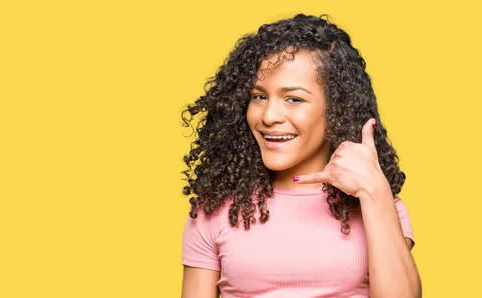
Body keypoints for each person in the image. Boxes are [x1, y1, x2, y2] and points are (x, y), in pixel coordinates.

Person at [180, 14, 421, 297]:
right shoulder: (216, 208)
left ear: (336, 109)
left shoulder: (380, 204)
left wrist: (374, 191)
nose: (269, 116)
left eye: (293, 99)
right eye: (259, 96)